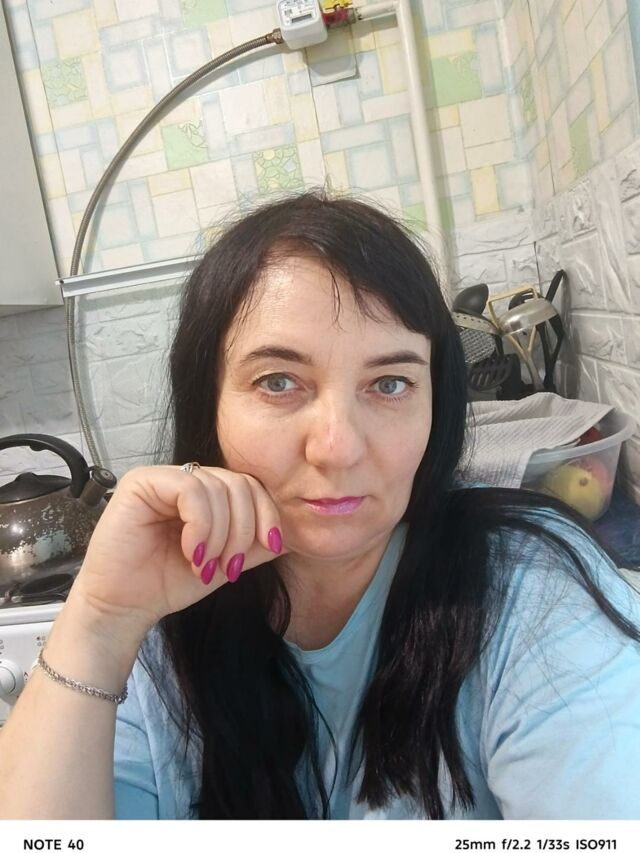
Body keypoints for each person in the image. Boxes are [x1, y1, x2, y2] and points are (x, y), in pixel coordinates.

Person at [0, 191, 639, 821]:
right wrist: (99, 623)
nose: (337, 448)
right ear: (208, 405)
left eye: (389, 383)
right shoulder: (154, 630)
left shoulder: (530, 588)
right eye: (278, 382)